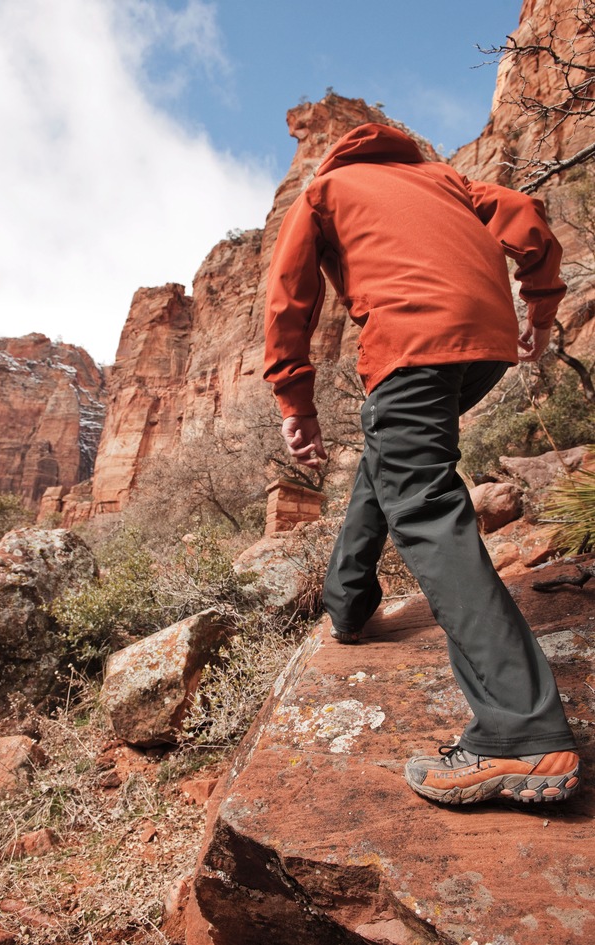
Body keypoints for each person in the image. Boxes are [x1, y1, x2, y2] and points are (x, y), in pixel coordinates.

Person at [263, 121, 581, 806]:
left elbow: (290, 296)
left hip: (412, 343)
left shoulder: (326, 187)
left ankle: (522, 733)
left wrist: (296, 403)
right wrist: (543, 311)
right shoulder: (444, 178)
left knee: (426, 506)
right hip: (486, 344)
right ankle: (348, 604)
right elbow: (527, 218)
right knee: (394, 454)